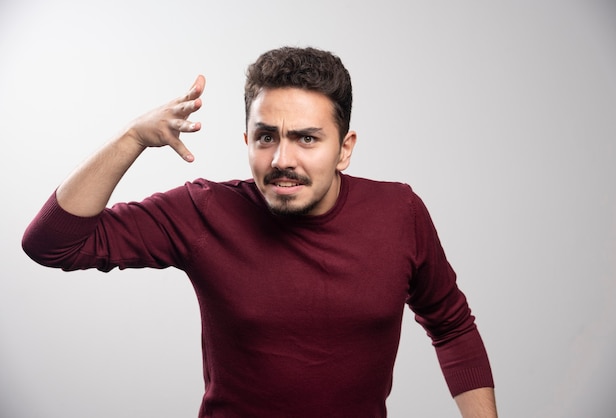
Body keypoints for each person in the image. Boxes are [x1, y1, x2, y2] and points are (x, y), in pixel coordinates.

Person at [22, 46, 497, 417]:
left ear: (345, 148)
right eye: (266, 136)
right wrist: (132, 138)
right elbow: (52, 243)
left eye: (306, 138)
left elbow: (452, 326)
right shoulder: (205, 210)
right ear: (247, 139)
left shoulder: (399, 211)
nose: (281, 159)